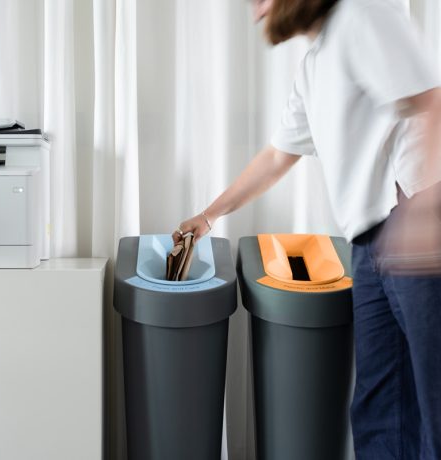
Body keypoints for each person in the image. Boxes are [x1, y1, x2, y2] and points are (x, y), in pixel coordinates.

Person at [174, 0, 441, 458]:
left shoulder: (363, 14)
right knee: (381, 405)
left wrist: (425, 211)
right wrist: (209, 215)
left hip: (416, 222)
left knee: (433, 398)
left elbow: (429, 101)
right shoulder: (315, 64)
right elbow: (278, 156)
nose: (255, 10)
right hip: (370, 242)